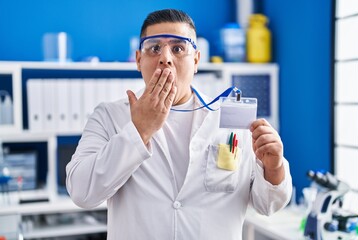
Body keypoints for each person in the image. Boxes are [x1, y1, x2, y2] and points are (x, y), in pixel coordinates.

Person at [66, 9, 292, 240]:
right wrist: (138, 131)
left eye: (178, 48)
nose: (165, 57)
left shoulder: (232, 120)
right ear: (138, 60)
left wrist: (273, 169)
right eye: (154, 48)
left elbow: (268, 205)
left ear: (195, 60)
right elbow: (82, 193)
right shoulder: (109, 116)